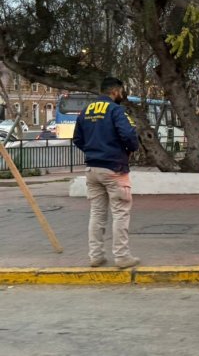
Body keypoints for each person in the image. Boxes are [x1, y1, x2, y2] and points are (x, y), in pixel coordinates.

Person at [73, 77, 140, 268]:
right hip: (114, 168)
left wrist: (93, 150)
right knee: (120, 212)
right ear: (115, 91)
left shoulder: (86, 111)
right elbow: (128, 135)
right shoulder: (115, 110)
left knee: (97, 213)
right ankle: (122, 256)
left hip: (92, 168)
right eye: (121, 91)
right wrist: (129, 149)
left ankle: (96, 255)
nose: (122, 94)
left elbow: (77, 138)